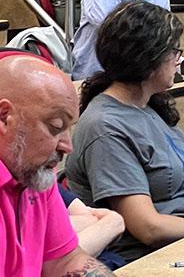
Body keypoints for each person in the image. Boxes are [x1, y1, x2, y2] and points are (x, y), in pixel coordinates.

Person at [65, 1, 184, 262]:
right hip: (149, 258)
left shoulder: (149, 106)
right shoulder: (104, 126)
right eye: (174, 51)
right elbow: (147, 227)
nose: (177, 60)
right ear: (147, 58)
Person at [0, 49, 116, 276]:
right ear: (4, 117)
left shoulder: (34, 172)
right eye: (55, 126)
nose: (67, 146)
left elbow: (66, 262)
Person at [58, 185, 127, 269]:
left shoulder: (47, 185)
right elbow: (58, 259)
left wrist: (113, 221)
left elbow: (91, 217)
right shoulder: (42, 179)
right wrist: (111, 222)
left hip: (113, 264)